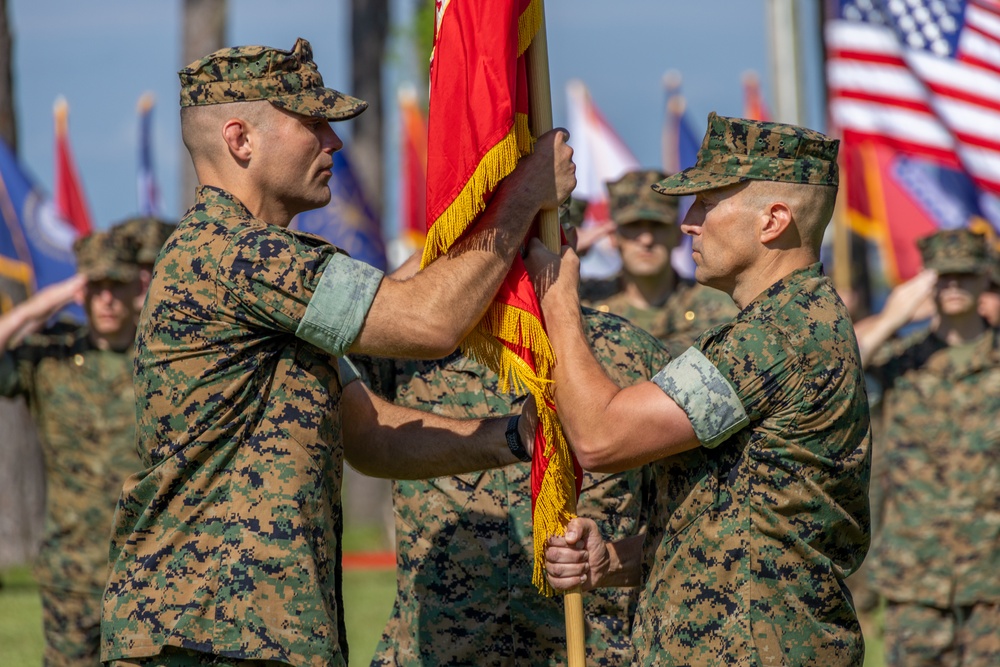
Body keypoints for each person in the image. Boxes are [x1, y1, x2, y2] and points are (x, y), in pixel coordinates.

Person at [100, 38, 574, 667]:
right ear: (240, 139)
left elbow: (369, 435)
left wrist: (513, 436)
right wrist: (520, 195)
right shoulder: (236, 254)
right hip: (209, 634)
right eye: (313, 123)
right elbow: (429, 321)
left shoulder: (251, 266)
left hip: (239, 633)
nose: (334, 142)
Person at [530, 113, 872, 665]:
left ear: (773, 221)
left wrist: (558, 300)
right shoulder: (780, 323)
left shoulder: (782, 333)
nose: (688, 223)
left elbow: (599, 437)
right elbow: (736, 526)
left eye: (707, 204)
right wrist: (610, 561)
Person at [355, 301, 669, 666]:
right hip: (437, 653)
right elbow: (352, 411)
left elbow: (682, 522)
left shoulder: (632, 352)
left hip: (591, 652)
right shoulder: (406, 344)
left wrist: (609, 563)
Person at [0, 231, 145, 667]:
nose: (107, 299)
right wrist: (47, 301)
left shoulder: (157, 357)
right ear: (81, 290)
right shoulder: (51, 357)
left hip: (144, 571)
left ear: (136, 287)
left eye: (116, 285)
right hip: (71, 575)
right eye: (95, 287)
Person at [856, 229, 1000, 667]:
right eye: (943, 276)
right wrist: (895, 316)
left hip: (991, 575)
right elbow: (833, 369)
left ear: (985, 278)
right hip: (914, 574)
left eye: (964, 274)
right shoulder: (901, 360)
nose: (954, 285)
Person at [583, 169, 738, 357]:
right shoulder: (585, 303)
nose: (646, 240)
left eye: (658, 225)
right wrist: (566, 248)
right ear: (613, 236)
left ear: (679, 235)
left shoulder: (719, 306)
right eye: (633, 225)